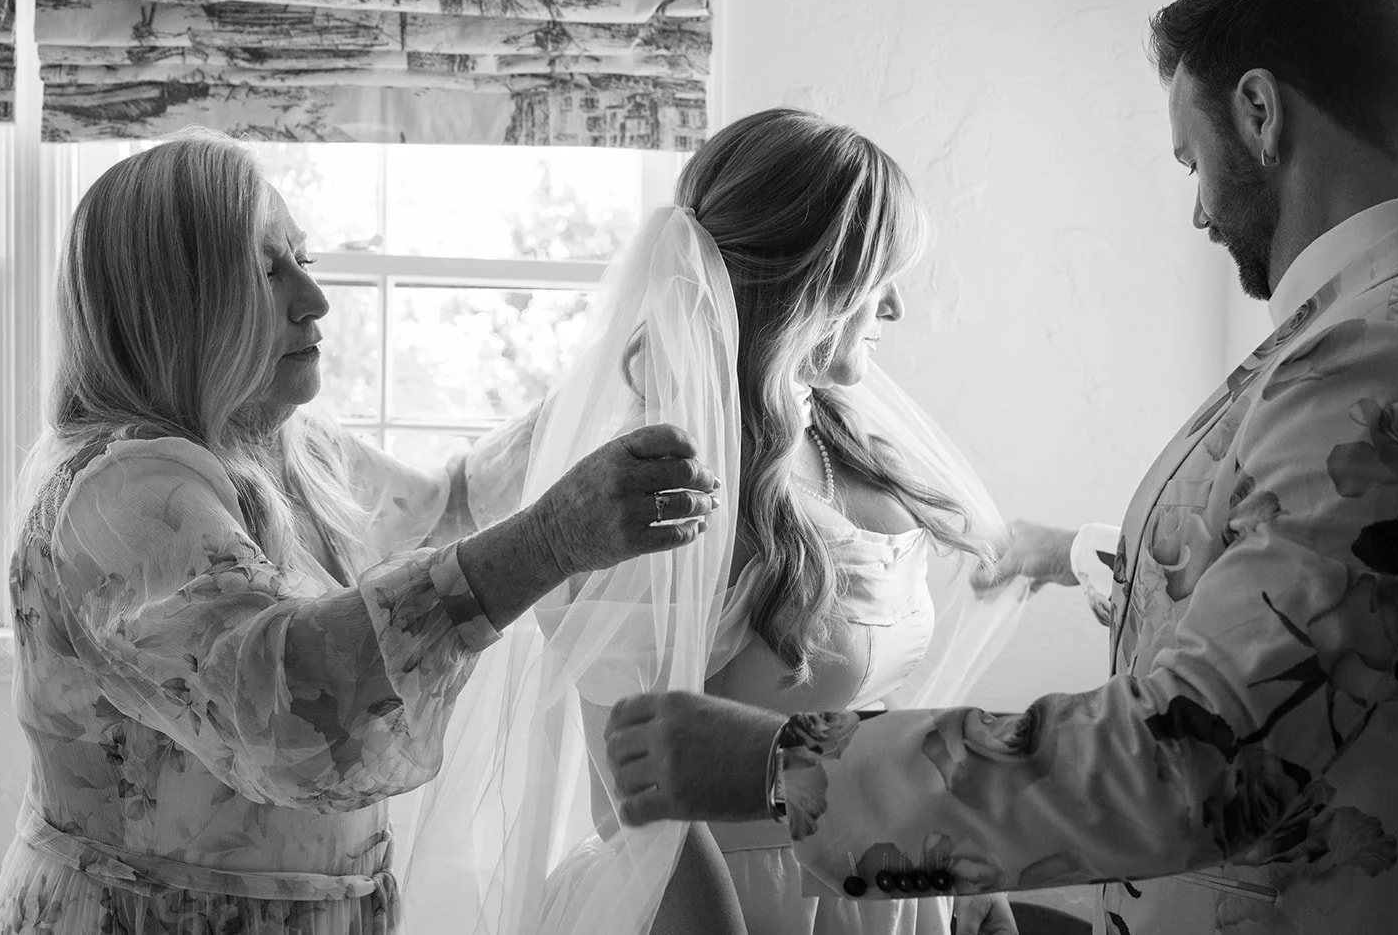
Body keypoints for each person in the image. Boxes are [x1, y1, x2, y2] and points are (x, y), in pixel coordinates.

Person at [602, 0, 1398, 935]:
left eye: (1192, 156)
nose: (1198, 210)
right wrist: (1078, 554)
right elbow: (1320, 604)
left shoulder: (1375, 361)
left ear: (1258, 113)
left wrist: (777, 764)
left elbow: (1195, 751)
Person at [0, 133, 719, 935]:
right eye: (268, 270)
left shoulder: (288, 445)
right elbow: (288, 705)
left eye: (304, 258)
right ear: (178, 300)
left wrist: (608, 377)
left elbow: (447, 505)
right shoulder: (122, 493)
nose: (315, 299)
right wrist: (547, 543)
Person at [396, 109, 1042, 935]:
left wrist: (960, 862)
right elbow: (637, 803)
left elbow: (883, 717)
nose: (899, 308)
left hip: (890, 881)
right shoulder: (661, 489)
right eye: (880, 276)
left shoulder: (851, 440)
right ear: (811, 282)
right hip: (741, 907)